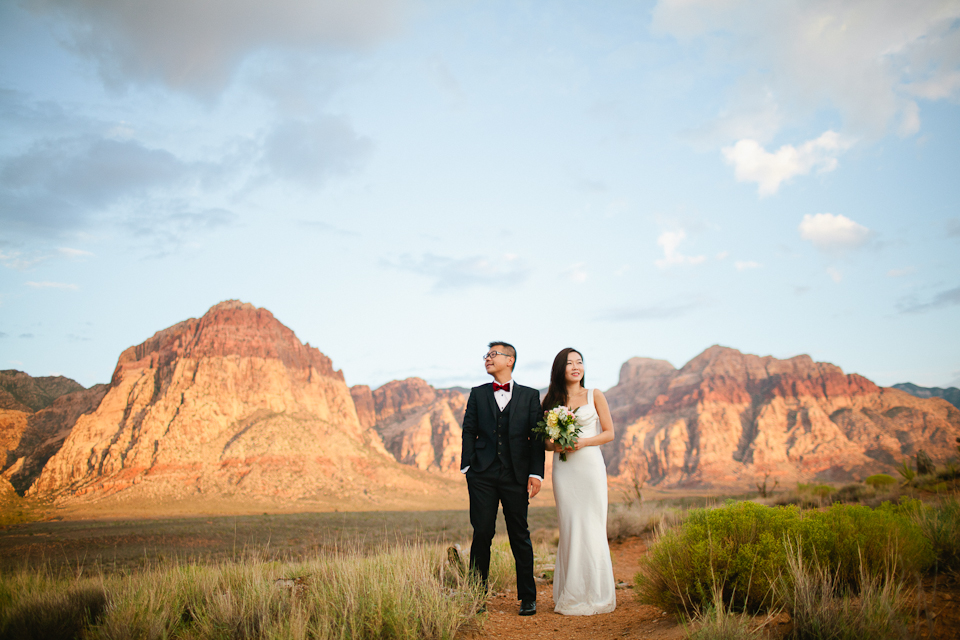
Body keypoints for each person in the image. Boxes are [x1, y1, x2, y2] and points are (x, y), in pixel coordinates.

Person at [461, 341, 545, 616]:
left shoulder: (530, 396)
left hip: (516, 475)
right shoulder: (477, 394)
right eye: (486, 355)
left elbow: (536, 438)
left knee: (519, 534)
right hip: (482, 475)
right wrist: (468, 466)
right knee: (482, 533)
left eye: (492, 354)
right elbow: (468, 430)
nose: (487, 359)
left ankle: (528, 597)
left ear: (510, 360)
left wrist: (535, 473)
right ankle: (476, 597)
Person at [542, 347, 616, 616]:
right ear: (560, 368)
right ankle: (570, 591)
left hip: (590, 467)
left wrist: (583, 441)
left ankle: (597, 592)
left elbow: (609, 433)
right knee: (571, 525)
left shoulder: (595, 394)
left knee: (593, 525)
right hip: (565, 470)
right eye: (570, 363)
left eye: (580, 362)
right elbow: (546, 442)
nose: (576, 367)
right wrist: (557, 445)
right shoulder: (550, 400)